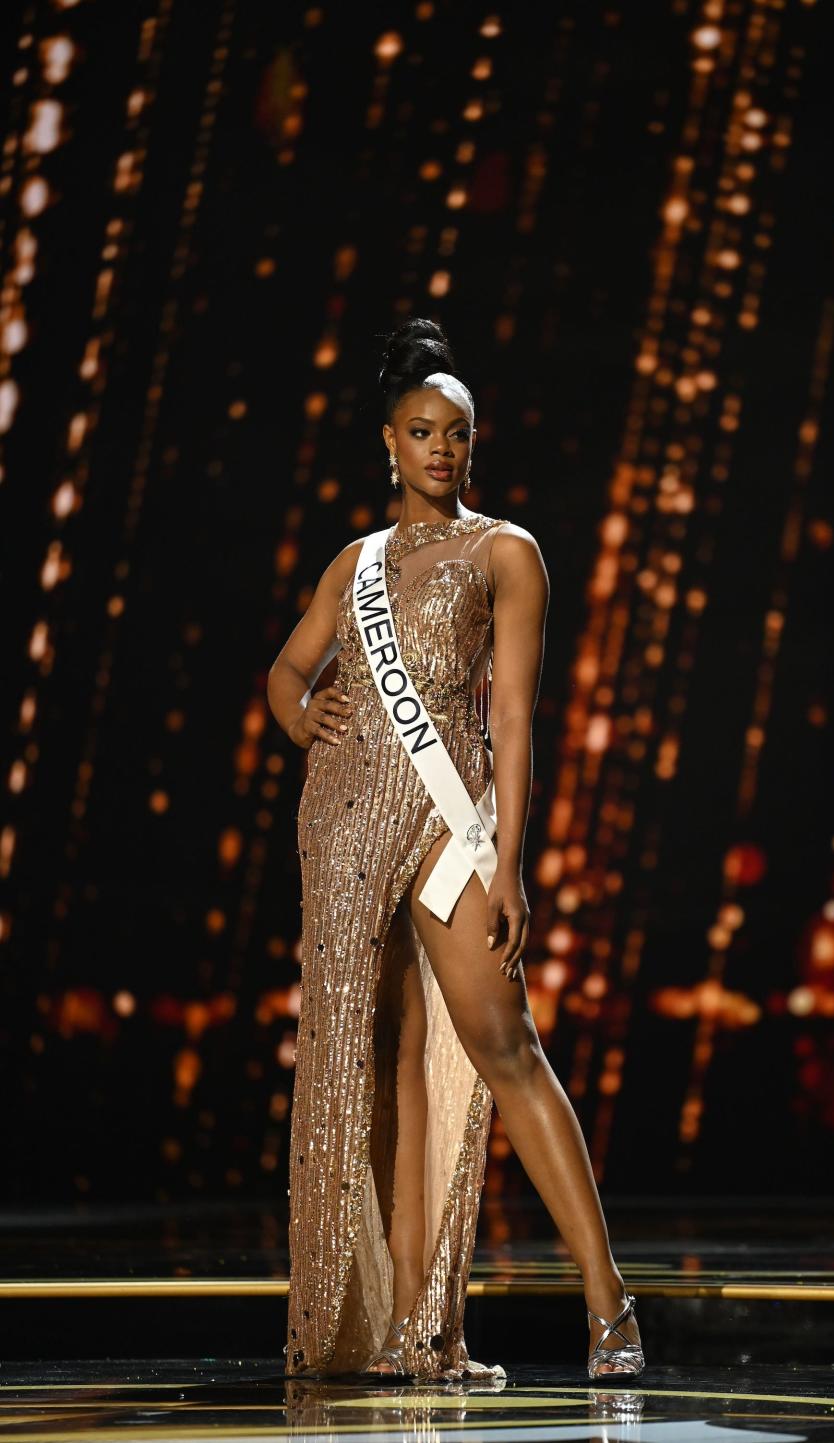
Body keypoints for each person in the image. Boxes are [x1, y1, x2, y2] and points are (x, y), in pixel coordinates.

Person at [267, 317, 644, 1382]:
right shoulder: (356, 564)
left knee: (502, 1046)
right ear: (389, 443)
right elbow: (284, 675)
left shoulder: (505, 551)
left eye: (458, 433)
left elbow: (515, 718)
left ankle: (609, 1304)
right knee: (378, 1071)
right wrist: (303, 720)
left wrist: (509, 860)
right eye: (422, 431)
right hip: (341, 831)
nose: (441, 448)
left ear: (474, 445)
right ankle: (409, 1330)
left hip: (449, 826)